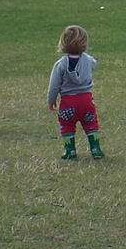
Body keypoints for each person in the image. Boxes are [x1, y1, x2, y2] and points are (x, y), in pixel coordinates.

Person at [47, 25, 105, 160]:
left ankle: (70, 151)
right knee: (91, 124)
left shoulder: (60, 64)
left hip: (68, 102)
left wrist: (51, 100)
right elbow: (94, 63)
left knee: (67, 125)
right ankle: (96, 149)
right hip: (86, 101)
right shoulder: (88, 60)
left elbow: (54, 86)